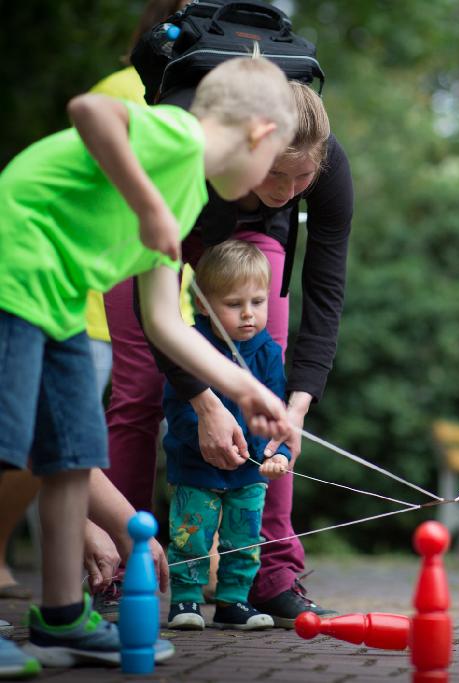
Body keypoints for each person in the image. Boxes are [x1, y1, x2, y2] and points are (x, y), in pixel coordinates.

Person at [0, 55, 295, 676]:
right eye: (272, 164)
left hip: (58, 302)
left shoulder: (186, 195)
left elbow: (165, 320)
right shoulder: (176, 136)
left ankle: (60, 619)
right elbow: (89, 111)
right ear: (260, 133)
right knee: (10, 446)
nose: (265, 186)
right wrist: (147, 205)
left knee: (73, 453)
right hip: (14, 271)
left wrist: (246, 391)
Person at [100, 79, 352, 627]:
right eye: (275, 174)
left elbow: (326, 290)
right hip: (145, 224)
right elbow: (159, 316)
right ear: (251, 143)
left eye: (301, 176)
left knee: (266, 382)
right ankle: (122, 569)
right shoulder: (185, 150)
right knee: (141, 389)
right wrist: (203, 400)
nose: (288, 190)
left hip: (246, 236)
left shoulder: (326, 170)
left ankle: (270, 575)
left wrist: (299, 405)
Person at [163, 241, 292, 631]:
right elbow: (178, 406)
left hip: (248, 474)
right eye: (235, 304)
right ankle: (185, 600)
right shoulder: (191, 345)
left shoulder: (268, 352)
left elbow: (276, 413)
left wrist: (278, 453)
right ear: (203, 304)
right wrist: (199, 442)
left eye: (258, 301)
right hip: (196, 468)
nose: (249, 314)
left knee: (245, 539)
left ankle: (234, 601)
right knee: (190, 536)